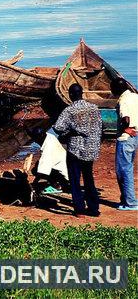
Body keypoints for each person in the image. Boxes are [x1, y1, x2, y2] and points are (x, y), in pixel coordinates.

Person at [53, 83, 103, 217]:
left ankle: (79, 209)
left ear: (70, 95)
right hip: (91, 149)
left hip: (75, 149)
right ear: (82, 94)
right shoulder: (94, 108)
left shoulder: (70, 110)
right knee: (89, 179)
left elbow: (57, 127)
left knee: (75, 180)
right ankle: (94, 209)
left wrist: (70, 132)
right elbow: (99, 127)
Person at [111, 78, 138, 211]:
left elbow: (125, 118)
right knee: (128, 168)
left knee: (123, 171)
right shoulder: (134, 96)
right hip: (135, 137)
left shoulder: (123, 100)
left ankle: (130, 202)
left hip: (125, 138)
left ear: (117, 88)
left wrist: (125, 128)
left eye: (112, 88)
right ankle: (127, 199)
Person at [27, 128, 69, 194]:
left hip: (63, 175)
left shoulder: (47, 150)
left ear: (40, 137)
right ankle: (57, 182)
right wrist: (25, 128)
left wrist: (34, 183)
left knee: (35, 170)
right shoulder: (49, 136)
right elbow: (35, 137)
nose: (35, 141)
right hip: (63, 164)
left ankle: (56, 186)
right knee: (39, 167)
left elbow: (42, 171)